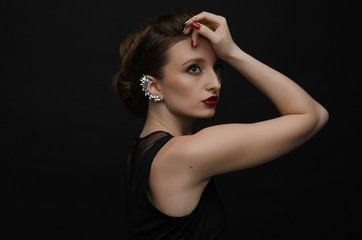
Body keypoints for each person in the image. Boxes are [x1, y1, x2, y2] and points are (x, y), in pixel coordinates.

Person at [113, 8, 328, 240]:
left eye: (218, 66)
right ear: (154, 87)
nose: (215, 83)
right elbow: (313, 115)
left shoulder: (141, 153)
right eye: (193, 68)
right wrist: (233, 53)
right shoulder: (184, 154)